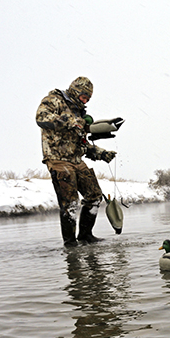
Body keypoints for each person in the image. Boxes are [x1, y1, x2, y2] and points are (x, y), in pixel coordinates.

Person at [36, 76, 116, 246]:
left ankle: (86, 236)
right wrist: (72, 122)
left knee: (94, 196)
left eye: (88, 98)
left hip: (76, 159)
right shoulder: (54, 100)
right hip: (58, 159)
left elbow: (82, 143)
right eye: (83, 97)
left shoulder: (79, 112)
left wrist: (101, 153)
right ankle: (70, 243)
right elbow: (41, 118)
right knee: (70, 203)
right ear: (75, 91)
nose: (85, 100)